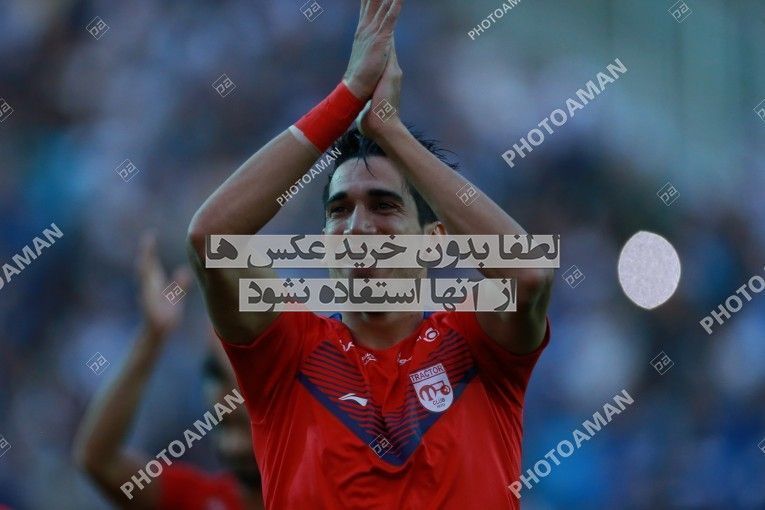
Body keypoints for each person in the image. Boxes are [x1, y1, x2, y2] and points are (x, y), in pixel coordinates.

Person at [186, 0, 555, 507]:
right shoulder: (288, 349)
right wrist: (348, 95)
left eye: (384, 206)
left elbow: (528, 273)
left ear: (434, 240)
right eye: (339, 211)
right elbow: (210, 238)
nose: (358, 228)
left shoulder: (474, 339)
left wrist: (390, 132)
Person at [73, 232, 263, 509]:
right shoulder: (201, 499)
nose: (235, 445)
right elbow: (99, 461)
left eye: (244, 426)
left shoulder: (320, 487)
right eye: (225, 427)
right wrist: (152, 337)